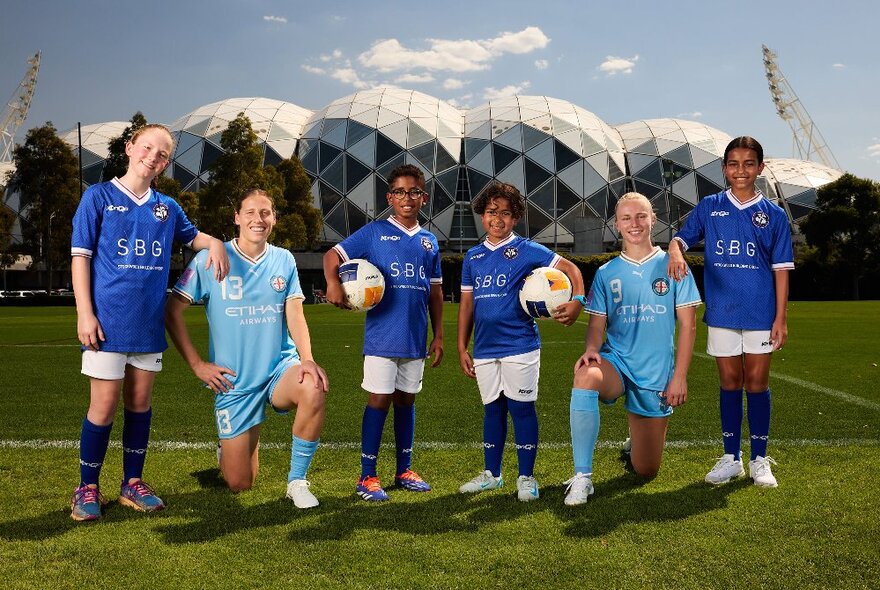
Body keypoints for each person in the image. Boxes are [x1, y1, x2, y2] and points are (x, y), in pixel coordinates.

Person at [69, 124, 229, 521]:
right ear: (130, 148)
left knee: (140, 405)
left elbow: (196, 239)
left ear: (166, 163)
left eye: (161, 154)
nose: (152, 157)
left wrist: (218, 243)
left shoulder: (167, 208)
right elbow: (80, 258)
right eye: (147, 148)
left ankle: (132, 483)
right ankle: (87, 487)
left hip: (147, 325)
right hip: (106, 323)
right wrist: (84, 312)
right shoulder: (99, 197)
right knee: (103, 406)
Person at [165, 188, 328, 508]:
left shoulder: (283, 259)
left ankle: (296, 482)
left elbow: (295, 312)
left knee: (313, 387)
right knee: (240, 482)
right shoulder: (209, 259)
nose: (258, 219)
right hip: (235, 380)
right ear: (237, 217)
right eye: (250, 212)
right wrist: (198, 364)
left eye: (265, 213)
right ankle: (229, 452)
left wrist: (307, 360)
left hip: (278, 369)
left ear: (274, 220)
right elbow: (171, 312)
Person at [668, 136, 793, 488]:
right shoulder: (709, 206)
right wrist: (676, 250)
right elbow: (681, 238)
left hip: (760, 313)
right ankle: (731, 457)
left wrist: (780, 317)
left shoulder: (774, 215)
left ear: (760, 168)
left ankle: (759, 459)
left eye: (748, 163)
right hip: (722, 312)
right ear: (724, 169)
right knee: (729, 383)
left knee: (756, 384)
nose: (741, 170)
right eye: (734, 164)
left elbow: (781, 269)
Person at [564, 192, 701, 505]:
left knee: (646, 470)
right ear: (617, 224)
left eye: (641, 216)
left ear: (653, 220)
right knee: (586, 376)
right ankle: (582, 477)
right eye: (626, 218)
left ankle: (635, 443)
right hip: (617, 364)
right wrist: (591, 349)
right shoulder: (606, 273)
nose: (635, 224)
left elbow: (689, 327)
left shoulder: (674, 266)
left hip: (655, 373)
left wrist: (679, 377)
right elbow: (597, 325)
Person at [322, 164, 443, 502]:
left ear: (424, 197)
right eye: (400, 192)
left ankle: (403, 470)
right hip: (381, 336)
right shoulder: (374, 233)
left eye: (414, 192)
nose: (407, 198)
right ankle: (367, 477)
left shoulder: (429, 241)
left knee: (407, 400)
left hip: (416, 337)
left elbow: (434, 292)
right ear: (390, 198)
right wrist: (333, 282)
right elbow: (332, 254)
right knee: (379, 399)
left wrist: (439, 335)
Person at [457, 182, 585, 502]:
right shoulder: (472, 257)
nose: (497, 219)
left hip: (520, 344)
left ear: (516, 218)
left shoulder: (527, 249)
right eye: (491, 212)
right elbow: (467, 305)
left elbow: (569, 268)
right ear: (482, 215)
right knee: (492, 410)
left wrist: (578, 298)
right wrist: (462, 346)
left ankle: (526, 477)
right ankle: (492, 475)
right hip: (485, 348)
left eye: (505, 213)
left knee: (521, 409)